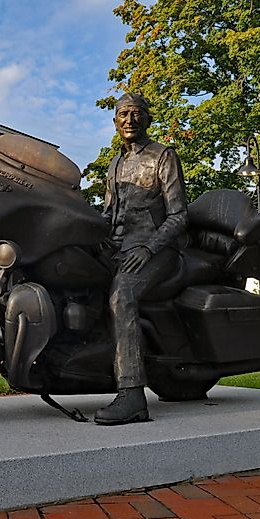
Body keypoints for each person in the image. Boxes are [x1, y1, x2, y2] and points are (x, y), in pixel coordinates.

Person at [94, 92, 189, 425]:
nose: (129, 120)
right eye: (122, 115)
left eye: (136, 114)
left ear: (148, 119)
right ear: (115, 122)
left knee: (123, 295)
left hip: (156, 250)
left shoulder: (164, 157)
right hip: (119, 248)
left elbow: (178, 215)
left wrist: (149, 247)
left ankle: (132, 395)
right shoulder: (115, 164)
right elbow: (107, 214)